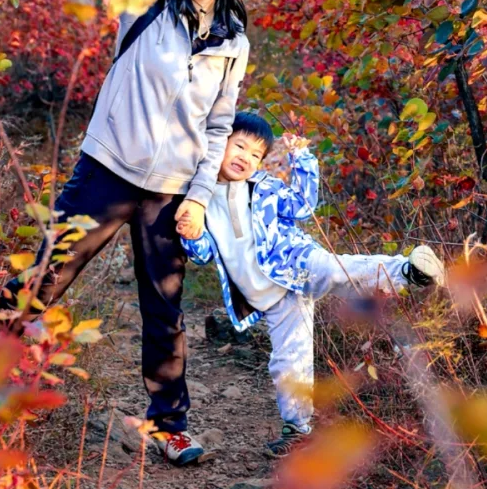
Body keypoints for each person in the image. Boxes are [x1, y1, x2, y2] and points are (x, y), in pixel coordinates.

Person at [0, 0, 250, 467]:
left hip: (170, 192)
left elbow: (219, 127)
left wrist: (197, 196)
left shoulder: (235, 42)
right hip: (105, 174)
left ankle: (170, 425)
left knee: (164, 307)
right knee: (47, 274)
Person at [180, 112, 446, 457]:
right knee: (289, 361)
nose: (245, 157)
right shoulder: (200, 200)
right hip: (273, 300)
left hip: (297, 261)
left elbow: (304, 206)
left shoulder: (264, 187)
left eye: (256, 154)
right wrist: (191, 232)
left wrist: (301, 158)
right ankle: (298, 428)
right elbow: (202, 254)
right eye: (239, 146)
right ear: (219, 144)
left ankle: (408, 272)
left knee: (338, 271)